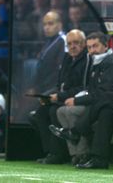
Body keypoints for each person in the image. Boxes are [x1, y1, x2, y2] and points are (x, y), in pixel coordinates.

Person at [50, 31, 113, 168]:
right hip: (103, 106)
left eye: (95, 46)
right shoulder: (97, 63)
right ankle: (90, 157)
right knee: (102, 112)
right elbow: (93, 91)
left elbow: (104, 93)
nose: (92, 51)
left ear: (105, 46)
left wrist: (78, 101)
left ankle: (78, 140)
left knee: (99, 109)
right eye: (89, 47)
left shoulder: (112, 64)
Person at [30, 29, 88, 164]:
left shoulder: (86, 60)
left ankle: (59, 154)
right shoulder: (67, 58)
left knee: (53, 112)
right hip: (63, 97)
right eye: (69, 44)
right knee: (39, 113)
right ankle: (50, 151)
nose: (72, 46)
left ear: (84, 44)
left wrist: (59, 96)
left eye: (76, 43)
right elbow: (60, 83)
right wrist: (48, 96)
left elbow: (83, 87)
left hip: (75, 99)